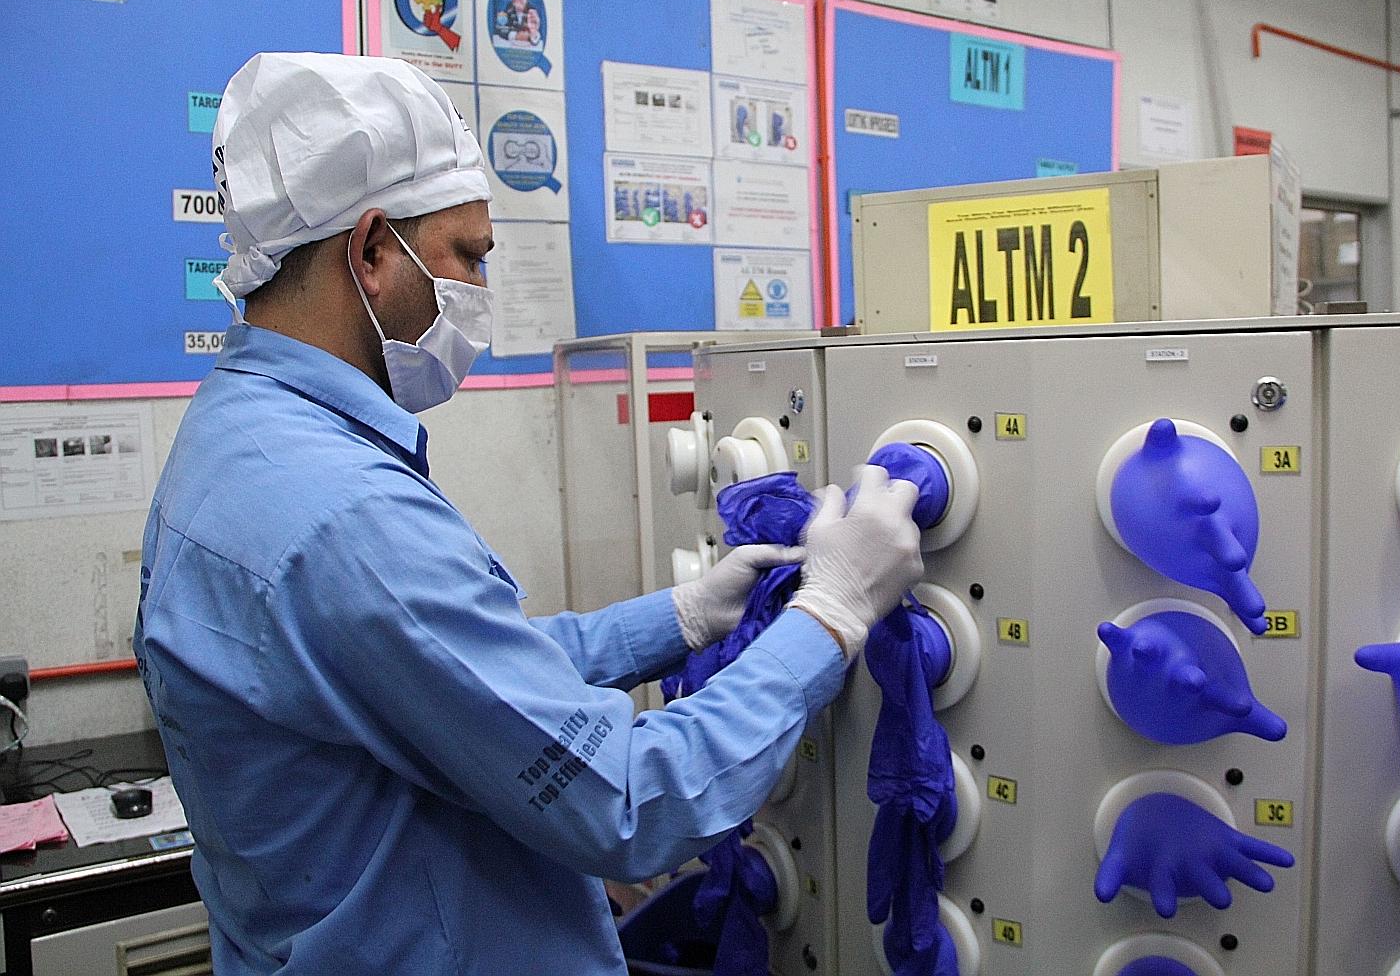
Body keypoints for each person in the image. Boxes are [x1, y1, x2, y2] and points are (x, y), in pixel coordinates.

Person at [133, 52, 924, 976]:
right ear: (373, 251)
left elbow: (447, 682)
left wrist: (676, 620)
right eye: (467, 256)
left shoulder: (239, 439)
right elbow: (630, 802)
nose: (479, 291)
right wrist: (831, 611)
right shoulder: (342, 515)